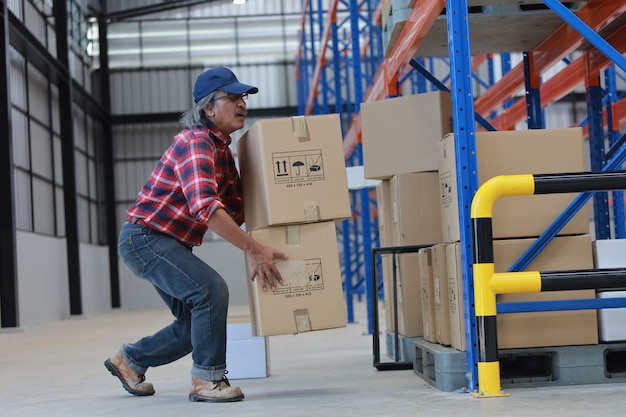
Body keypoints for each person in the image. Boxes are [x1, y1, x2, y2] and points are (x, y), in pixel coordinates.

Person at [104, 67, 287, 403]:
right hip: (146, 239)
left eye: (242, 97)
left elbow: (238, 210)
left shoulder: (222, 153)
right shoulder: (195, 142)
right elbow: (207, 209)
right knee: (210, 292)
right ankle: (208, 380)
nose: (241, 103)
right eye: (231, 97)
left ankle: (130, 360)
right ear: (208, 108)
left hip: (166, 243)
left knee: (195, 326)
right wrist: (253, 249)